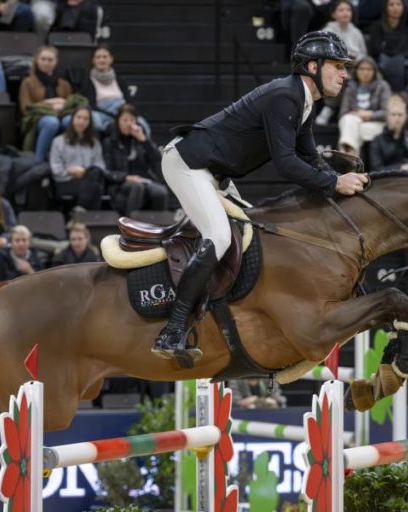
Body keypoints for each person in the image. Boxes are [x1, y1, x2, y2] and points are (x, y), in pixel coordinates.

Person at [151, 31, 369, 360]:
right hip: (188, 164)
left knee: (253, 235)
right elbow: (287, 164)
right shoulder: (286, 96)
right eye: (337, 66)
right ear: (312, 66)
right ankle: (172, 331)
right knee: (220, 236)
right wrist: (335, 183)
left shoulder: (303, 102)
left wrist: (342, 181)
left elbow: (311, 161)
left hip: (214, 175)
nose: (344, 74)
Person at [103, 104, 169, 216]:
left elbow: (157, 158)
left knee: (160, 191)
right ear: (117, 121)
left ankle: (158, 229)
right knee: (137, 187)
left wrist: (144, 140)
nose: (128, 123)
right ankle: (129, 225)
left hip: (143, 180)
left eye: (132, 120)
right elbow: (106, 171)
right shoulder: (109, 142)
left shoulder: (140, 139)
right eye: (125, 120)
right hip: (121, 182)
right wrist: (126, 177)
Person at [77, 45, 150, 137]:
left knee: (143, 124)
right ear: (93, 60)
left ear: (111, 59)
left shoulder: (118, 79)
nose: (101, 60)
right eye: (98, 57)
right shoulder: (88, 80)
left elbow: (129, 100)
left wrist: (125, 114)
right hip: (102, 112)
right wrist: (113, 115)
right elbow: (91, 105)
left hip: (122, 110)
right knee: (95, 121)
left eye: (105, 57)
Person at [316, 0, 368, 125]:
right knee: (341, 74)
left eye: (348, 10)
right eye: (341, 10)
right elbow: (324, 53)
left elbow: (364, 55)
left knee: (369, 69)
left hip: (354, 66)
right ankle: (329, 108)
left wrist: (357, 61)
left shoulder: (357, 32)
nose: (346, 13)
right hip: (333, 65)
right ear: (334, 14)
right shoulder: (328, 30)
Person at [19, 45, 73, 161]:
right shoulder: (28, 82)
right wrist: (51, 103)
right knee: (51, 122)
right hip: (37, 118)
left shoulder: (64, 84)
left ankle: (67, 159)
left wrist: (63, 105)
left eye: (50, 60)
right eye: (43, 59)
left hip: (61, 115)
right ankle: (39, 161)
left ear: (56, 62)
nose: (46, 63)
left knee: (71, 120)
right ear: (37, 60)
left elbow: (70, 104)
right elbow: (26, 108)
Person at [49, 105, 108, 210]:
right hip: (66, 180)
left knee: (95, 177)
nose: (82, 121)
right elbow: (55, 168)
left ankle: (81, 209)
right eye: (79, 117)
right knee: (96, 188)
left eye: (86, 119)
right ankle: (84, 211)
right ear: (72, 119)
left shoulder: (94, 143)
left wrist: (86, 171)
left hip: (88, 180)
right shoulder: (58, 141)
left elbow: (101, 166)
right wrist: (70, 171)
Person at [368, 0, 408, 93]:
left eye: (398, 4)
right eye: (391, 4)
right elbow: (375, 50)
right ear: (386, 7)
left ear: (404, 7)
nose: (395, 7)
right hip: (384, 63)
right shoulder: (377, 26)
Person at [336, 57, 392, 155]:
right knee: (350, 120)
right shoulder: (350, 87)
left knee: (353, 129)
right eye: (362, 69)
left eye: (369, 69)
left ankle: (348, 155)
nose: (365, 72)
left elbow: (387, 112)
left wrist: (369, 115)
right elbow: (343, 113)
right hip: (353, 122)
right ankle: (352, 156)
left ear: (375, 71)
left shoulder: (382, 86)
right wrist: (357, 115)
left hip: (376, 123)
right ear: (356, 70)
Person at [369, 94, 408, 173]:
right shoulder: (377, 141)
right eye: (393, 114)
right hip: (388, 181)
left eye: (400, 115)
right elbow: (376, 170)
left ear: (406, 117)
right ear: (387, 117)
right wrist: (401, 167)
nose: (397, 118)